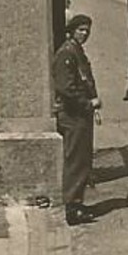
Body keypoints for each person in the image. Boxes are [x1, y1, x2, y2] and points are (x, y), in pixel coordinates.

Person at [52, 14, 101, 225]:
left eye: (87, 30)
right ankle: (72, 207)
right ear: (71, 31)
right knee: (75, 160)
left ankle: (77, 202)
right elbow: (67, 88)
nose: (85, 33)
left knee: (82, 159)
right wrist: (88, 103)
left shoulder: (76, 51)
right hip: (72, 114)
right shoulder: (66, 54)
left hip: (80, 114)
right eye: (81, 30)